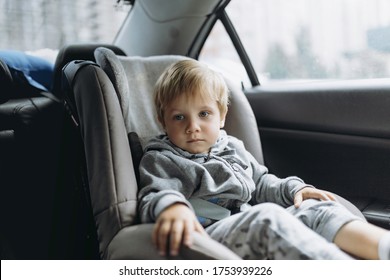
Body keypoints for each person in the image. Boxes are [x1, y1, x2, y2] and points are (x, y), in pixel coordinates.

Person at [137, 59, 390, 260]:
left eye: (204, 114)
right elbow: (156, 192)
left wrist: (295, 189)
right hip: (207, 238)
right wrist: (172, 207)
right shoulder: (162, 158)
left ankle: (383, 250)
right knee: (267, 217)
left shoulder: (232, 147)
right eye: (179, 117)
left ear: (221, 117)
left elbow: (261, 181)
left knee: (315, 209)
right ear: (162, 121)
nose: (193, 127)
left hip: (248, 223)